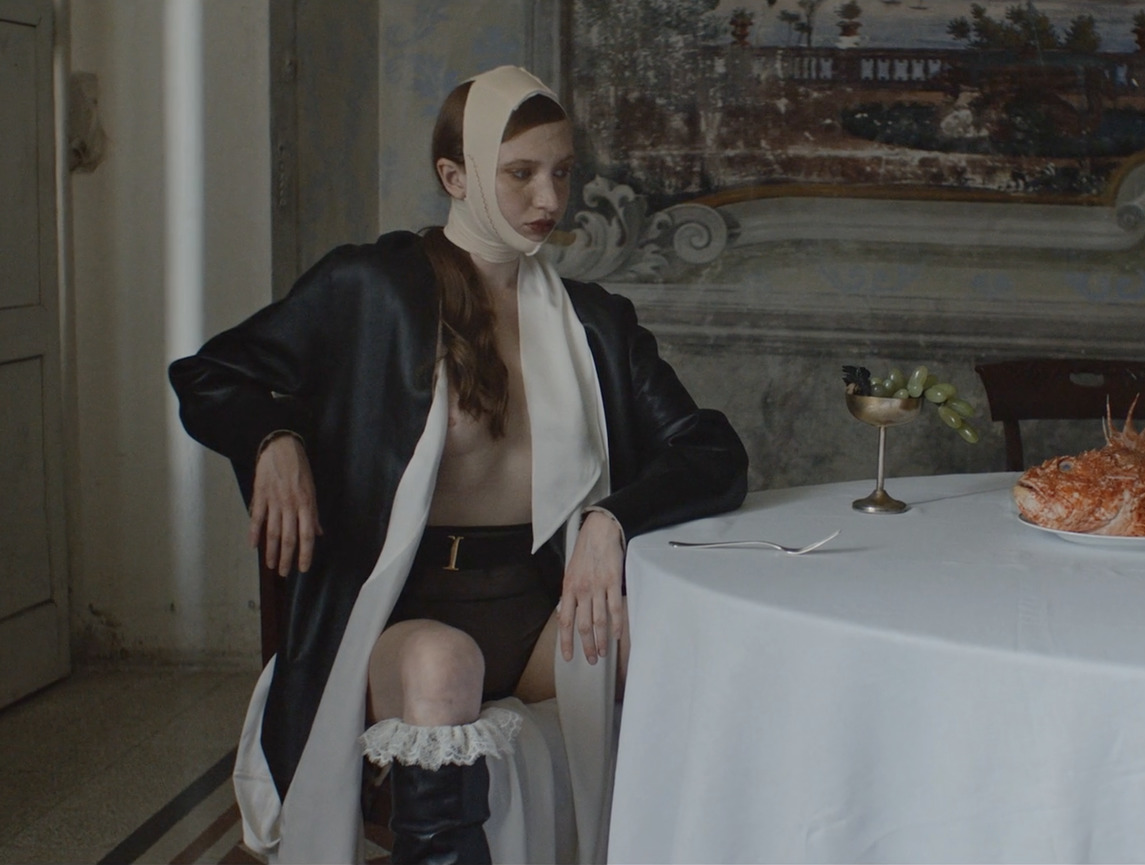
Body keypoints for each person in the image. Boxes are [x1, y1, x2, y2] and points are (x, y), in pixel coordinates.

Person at [169, 66, 747, 864]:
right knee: (446, 665)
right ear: (456, 175)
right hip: (400, 616)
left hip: (538, 608)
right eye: (520, 174)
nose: (549, 200)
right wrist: (274, 438)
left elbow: (713, 449)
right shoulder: (370, 288)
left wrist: (612, 519)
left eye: (562, 172)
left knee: (688, 634)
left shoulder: (595, 324)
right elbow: (209, 372)